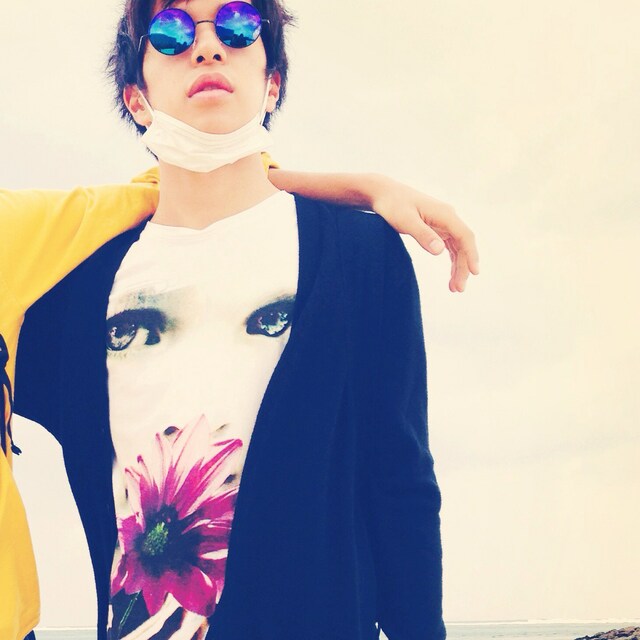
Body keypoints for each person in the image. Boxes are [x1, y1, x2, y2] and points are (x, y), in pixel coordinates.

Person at [7, 1, 479, 638]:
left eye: (237, 26)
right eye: (171, 32)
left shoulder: (358, 255)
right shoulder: (78, 293)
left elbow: (400, 483)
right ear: (136, 99)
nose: (206, 47)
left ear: (272, 82)